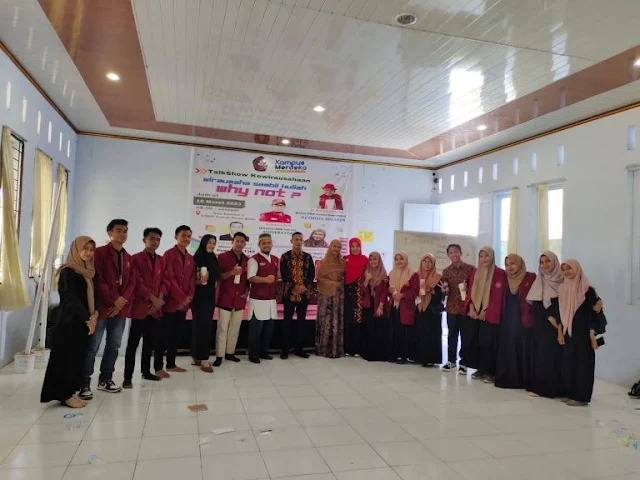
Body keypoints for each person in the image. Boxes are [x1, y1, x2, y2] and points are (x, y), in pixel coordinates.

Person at [80, 219, 135, 399]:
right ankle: (84, 383)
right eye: (118, 230)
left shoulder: (128, 257)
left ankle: (105, 379)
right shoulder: (100, 253)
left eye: (125, 231)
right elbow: (98, 278)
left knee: (114, 345)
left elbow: (132, 281)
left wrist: (122, 300)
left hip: (120, 310)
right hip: (102, 308)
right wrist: (114, 299)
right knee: (92, 346)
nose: (122, 234)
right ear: (110, 232)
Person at [41, 236, 98, 408]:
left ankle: (70, 392)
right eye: (85, 248)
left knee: (76, 359)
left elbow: (95, 296)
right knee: (65, 359)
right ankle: (64, 394)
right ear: (76, 249)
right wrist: (89, 319)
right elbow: (71, 300)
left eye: (91, 249)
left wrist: (95, 314)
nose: (88, 253)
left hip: (83, 323)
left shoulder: (89, 272)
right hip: (69, 323)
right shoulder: (68, 271)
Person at [123, 228, 168, 388]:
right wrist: (153, 299)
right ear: (144, 240)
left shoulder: (161, 260)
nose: (155, 242)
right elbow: (137, 282)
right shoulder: (135, 258)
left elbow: (165, 281)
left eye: (158, 239)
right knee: (133, 344)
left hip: (156, 309)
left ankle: (146, 371)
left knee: (150, 342)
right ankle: (127, 378)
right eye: (152, 238)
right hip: (140, 307)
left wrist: (160, 299)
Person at [559, 260, 602, 406]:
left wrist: (592, 333)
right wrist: (561, 331)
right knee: (568, 365)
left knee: (584, 366)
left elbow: (595, 313)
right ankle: (571, 394)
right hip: (568, 332)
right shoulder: (563, 288)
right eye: (564, 269)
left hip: (584, 333)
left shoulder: (587, 289)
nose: (566, 272)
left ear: (577, 269)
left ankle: (581, 397)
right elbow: (561, 312)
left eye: (569, 268)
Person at [155, 225, 195, 378]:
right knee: (163, 336)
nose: (186, 238)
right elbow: (169, 278)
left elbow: (191, 280)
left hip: (183, 305)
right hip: (170, 302)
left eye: (189, 236)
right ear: (176, 237)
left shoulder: (190, 258)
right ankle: (158, 367)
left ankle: (171, 364)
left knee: (176, 335)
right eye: (183, 235)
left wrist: (188, 298)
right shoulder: (169, 254)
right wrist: (182, 298)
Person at [526, 251, 565, 398]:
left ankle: (559, 389)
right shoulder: (540, 281)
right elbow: (536, 303)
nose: (545, 265)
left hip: (561, 324)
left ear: (555, 262)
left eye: (548, 261)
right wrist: (549, 317)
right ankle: (541, 388)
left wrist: (557, 321)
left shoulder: (564, 281)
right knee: (543, 355)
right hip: (542, 324)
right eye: (541, 262)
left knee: (558, 356)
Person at [465, 246, 507, 383]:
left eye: (487, 256)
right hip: (475, 313)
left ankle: (490, 371)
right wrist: (471, 307)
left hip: (490, 314)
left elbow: (499, 296)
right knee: (478, 342)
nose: (484, 259)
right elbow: (470, 291)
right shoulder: (475, 272)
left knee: (490, 343)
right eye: (481, 256)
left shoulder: (500, 273)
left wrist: (486, 311)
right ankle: (481, 368)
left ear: (492, 256)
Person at [494, 254, 536, 389]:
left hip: (524, 318)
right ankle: (508, 377)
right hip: (507, 319)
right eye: (507, 265)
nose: (509, 267)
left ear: (519, 264)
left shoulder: (530, 277)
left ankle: (523, 379)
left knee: (521, 347)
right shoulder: (505, 278)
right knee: (508, 346)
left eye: (512, 263)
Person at [215, 232, 249, 366]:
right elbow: (217, 276)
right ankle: (219, 355)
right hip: (225, 297)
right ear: (232, 242)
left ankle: (230, 353)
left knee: (235, 328)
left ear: (245, 244)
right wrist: (231, 273)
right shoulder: (222, 257)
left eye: (242, 241)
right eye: (237, 241)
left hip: (239, 299)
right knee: (222, 328)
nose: (239, 243)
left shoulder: (247, 260)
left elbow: (248, 280)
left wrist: (247, 292)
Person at [279, 232, 315, 359]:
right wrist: (294, 287)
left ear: (303, 241)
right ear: (291, 241)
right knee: (287, 322)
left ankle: (299, 349)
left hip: (304, 294)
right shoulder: (285, 257)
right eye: (296, 239)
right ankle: (285, 350)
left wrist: (304, 286)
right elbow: (284, 275)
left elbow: (311, 274)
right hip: (289, 294)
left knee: (301, 322)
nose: (299, 242)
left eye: (300, 239)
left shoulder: (308, 257)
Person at [441, 244, 476, 374]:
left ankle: (464, 363)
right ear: (448, 255)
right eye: (451, 253)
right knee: (452, 335)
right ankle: (451, 361)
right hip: (451, 307)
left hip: (466, 307)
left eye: (456, 252)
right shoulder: (446, 271)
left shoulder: (470, 269)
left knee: (466, 336)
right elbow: (445, 289)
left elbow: (475, 287)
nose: (454, 254)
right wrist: (444, 290)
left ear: (461, 253)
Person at [247, 233, 279, 363]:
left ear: (272, 244)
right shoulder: (253, 259)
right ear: (259, 245)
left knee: (268, 329)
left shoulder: (276, 259)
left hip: (271, 299)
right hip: (258, 300)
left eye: (268, 243)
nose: (266, 245)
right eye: (263, 243)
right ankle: (253, 354)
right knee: (256, 330)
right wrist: (265, 279)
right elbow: (251, 277)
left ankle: (263, 352)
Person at [191, 234, 220, 373]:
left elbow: (217, 275)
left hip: (209, 296)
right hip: (198, 296)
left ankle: (198, 356)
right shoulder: (196, 258)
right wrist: (198, 280)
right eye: (209, 242)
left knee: (205, 326)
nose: (211, 245)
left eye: (214, 243)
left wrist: (210, 276)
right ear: (203, 243)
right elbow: (190, 278)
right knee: (200, 327)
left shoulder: (213, 257)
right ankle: (203, 360)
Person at [316, 239, 346, 358]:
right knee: (327, 321)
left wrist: (340, 283)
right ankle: (324, 348)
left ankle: (336, 348)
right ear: (330, 247)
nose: (336, 249)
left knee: (337, 320)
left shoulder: (343, 262)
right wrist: (333, 284)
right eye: (334, 246)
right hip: (326, 297)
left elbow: (346, 278)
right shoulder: (323, 262)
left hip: (339, 296)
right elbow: (320, 280)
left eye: (338, 247)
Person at [388, 252, 420, 364]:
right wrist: (390, 291)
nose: (398, 261)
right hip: (394, 306)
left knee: (404, 332)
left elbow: (415, 291)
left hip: (406, 307)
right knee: (394, 330)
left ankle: (403, 356)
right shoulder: (391, 273)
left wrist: (402, 295)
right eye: (396, 259)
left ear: (406, 260)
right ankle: (393, 355)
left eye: (401, 259)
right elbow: (389, 289)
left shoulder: (413, 274)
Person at [415, 254, 445, 367]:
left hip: (432, 310)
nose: (427, 264)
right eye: (425, 261)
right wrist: (425, 290)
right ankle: (419, 357)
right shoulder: (416, 275)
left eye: (430, 262)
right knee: (420, 333)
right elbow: (414, 291)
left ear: (433, 264)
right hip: (419, 307)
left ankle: (431, 358)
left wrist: (432, 291)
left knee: (431, 334)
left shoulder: (438, 277)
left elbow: (440, 296)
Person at [360, 252, 390, 361]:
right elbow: (362, 290)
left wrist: (380, 306)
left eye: (375, 259)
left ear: (379, 260)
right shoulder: (366, 273)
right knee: (369, 329)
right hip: (368, 305)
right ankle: (368, 353)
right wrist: (367, 279)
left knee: (379, 329)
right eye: (371, 259)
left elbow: (384, 292)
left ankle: (379, 354)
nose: (372, 262)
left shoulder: (384, 275)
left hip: (378, 304)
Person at [344, 238, 369, 356]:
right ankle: (347, 348)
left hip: (360, 294)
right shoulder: (345, 259)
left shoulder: (365, 260)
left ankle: (356, 348)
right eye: (352, 246)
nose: (355, 248)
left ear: (360, 247)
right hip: (347, 294)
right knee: (347, 320)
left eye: (357, 246)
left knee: (358, 321)